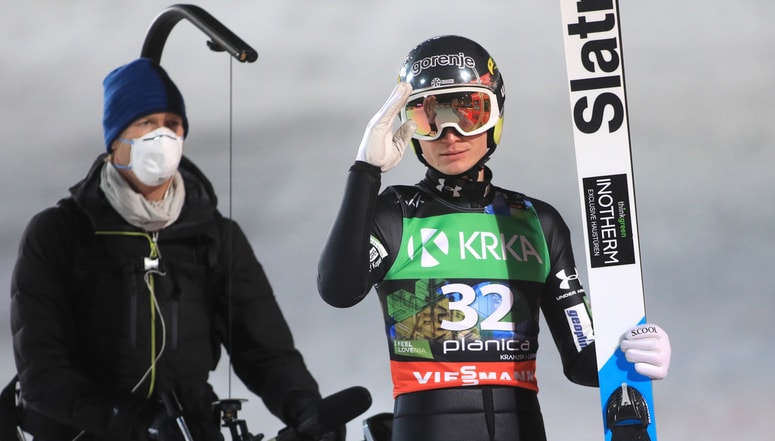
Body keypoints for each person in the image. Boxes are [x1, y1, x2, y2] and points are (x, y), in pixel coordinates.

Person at [317, 35, 671, 441]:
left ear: (496, 115)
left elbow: (581, 357)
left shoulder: (538, 222)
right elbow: (338, 289)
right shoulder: (396, 214)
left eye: (469, 111)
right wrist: (365, 172)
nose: (449, 134)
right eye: (428, 117)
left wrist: (630, 354)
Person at [9, 58, 342, 441]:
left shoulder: (214, 235)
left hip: (190, 431)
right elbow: (43, 374)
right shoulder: (59, 234)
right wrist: (140, 422)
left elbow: (265, 350)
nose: (162, 137)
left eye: (173, 124)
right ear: (116, 138)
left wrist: (305, 410)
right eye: (146, 123)